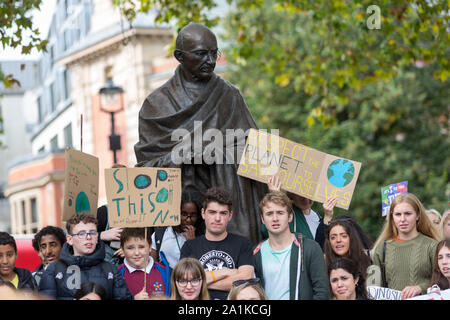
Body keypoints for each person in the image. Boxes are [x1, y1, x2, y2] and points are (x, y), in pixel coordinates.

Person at [134, 22, 267, 245]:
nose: (210, 60)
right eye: (201, 54)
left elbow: (256, 151)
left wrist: (216, 151)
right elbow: (145, 170)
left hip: (224, 208)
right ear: (179, 56)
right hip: (179, 217)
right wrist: (181, 155)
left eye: (214, 53)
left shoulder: (229, 96)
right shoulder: (156, 104)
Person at [180, 187, 254, 300]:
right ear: (203, 213)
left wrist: (200, 282)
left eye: (223, 213)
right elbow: (185, 281)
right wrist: (225, 272)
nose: (217, 218)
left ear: (230, 215)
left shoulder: (243, 244)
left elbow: (245, 279)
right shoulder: (189, 246)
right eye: (212, 212)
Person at [253, 191, 330, 300]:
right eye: (269, 214)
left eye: (280, 213)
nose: (275, 218)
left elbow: (322, 292)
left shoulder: (310, 248)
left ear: (290, 217)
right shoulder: (256, 253)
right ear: (262, 219)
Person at [38, 213, 132, 300]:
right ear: (70, 239)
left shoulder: (111, 269)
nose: (88, 237)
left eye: (92, 233)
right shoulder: (53, 270)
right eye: (81, 234)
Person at [372, 193, 440, 299]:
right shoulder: (382, 248)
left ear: (417, 215)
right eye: (398, 214)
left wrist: (420, 288)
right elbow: (373, 288)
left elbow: (443, 282)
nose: (402, 219)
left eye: (408, 214)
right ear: (392, 217)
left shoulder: (432, 246)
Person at [263, 175, 335, 248]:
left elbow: (321, 244)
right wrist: (276, 199)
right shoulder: (287, 212)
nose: (306, 199)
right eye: (301, 194)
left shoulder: (316, 215)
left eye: (309, 194)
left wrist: (327, 216)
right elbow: (266, 230)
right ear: (291, 195)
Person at [151, 190, 205, 269]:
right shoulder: (160, 235)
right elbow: (153, 267)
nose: (188, 220)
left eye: (193, 215)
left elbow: (202, 265)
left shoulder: (203, 236)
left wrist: (192, 243)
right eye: (184, 214)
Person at [118, 227, 171, 299]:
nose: (136, 253)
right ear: (122, 249)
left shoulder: (165, 272)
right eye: (130, 248)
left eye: (141, 247)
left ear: (150, 247)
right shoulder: (116, 274)